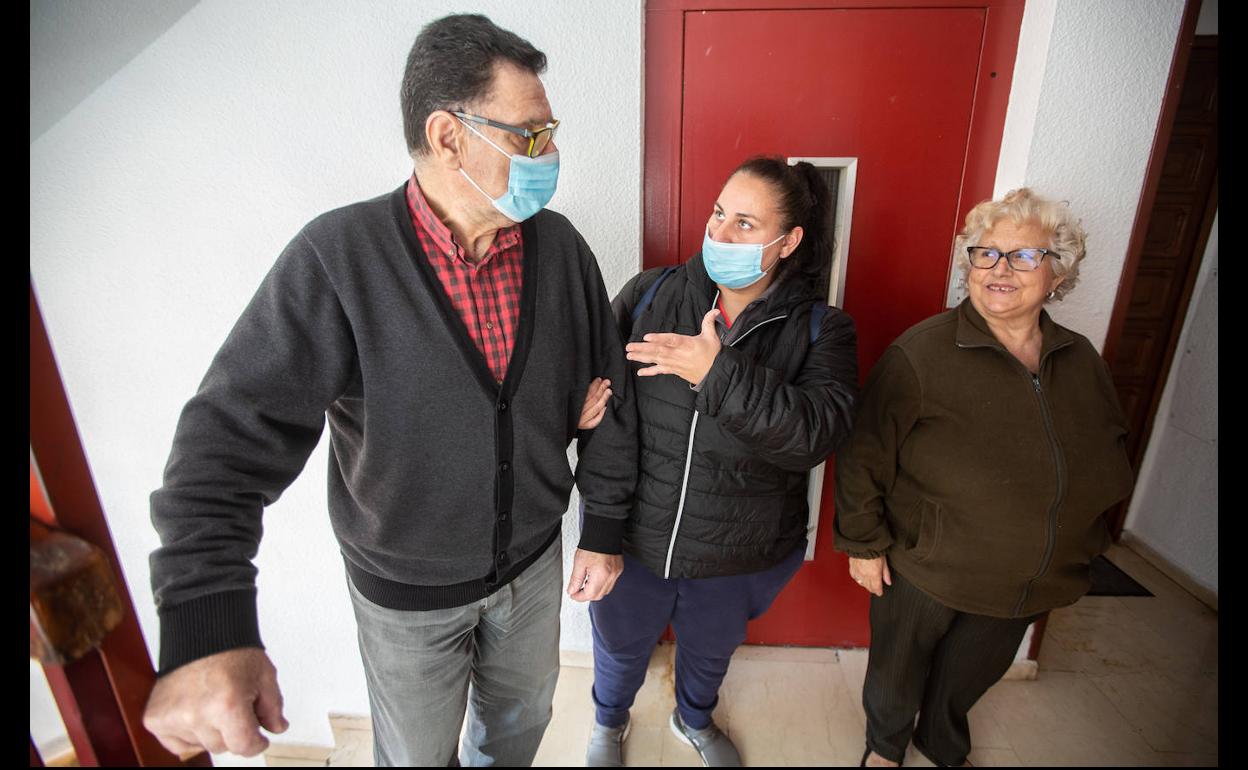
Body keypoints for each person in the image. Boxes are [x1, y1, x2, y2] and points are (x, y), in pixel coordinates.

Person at [141, 14, 637, 767]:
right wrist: (204, 623)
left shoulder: (561, 248)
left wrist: (599, 527)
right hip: (406, 598)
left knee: (518, 729)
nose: (551, 154)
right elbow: (228, 441)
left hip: (534, 569)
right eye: (530, 136)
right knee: (415, 755)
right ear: (448, 137)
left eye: (551, 133)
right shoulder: (338, 258)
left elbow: (606, 395)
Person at [834, 188, 1135, 767]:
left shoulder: (1081, 359)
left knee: (971, 673)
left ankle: (940, 742)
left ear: (1057, 273)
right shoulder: (921, 353)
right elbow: (863, 454)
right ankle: (885, 748)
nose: (1000, 269)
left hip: (1028, 576)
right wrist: (864, 544)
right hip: (928, 566)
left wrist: (1084, 538)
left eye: (1023, 257)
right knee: (897, 671)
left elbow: (1106, 450)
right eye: (986, 253)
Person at [583, 156, 859, 767]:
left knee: (710, 652)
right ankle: (608, 720)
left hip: (741, 549)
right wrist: (598, 527)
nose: (720, 233)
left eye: (745, 224)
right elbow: (606, 412)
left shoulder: (823, 329)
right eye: (718, 214)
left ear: (788, 242)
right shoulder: (650, 294)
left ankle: (694, 718)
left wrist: (716, 373)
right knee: (619, 645)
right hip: (638, 536)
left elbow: (813, 435)